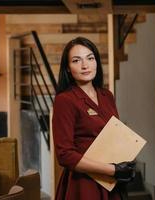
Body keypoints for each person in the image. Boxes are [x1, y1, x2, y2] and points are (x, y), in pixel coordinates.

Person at [52, 37, 136, 200]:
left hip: (111, 183)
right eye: (76, 60)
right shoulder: (65, 100)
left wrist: (126, 163)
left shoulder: (107, 96)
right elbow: (65, 155)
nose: (85, 65)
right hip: (83, 185)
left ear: (96, 61)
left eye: (90, 58)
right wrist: (112, 170)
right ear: (68, 68)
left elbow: (115, 136)